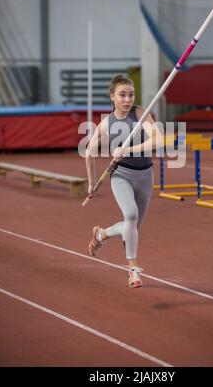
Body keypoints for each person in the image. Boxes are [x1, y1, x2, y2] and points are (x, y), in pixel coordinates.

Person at [85, 74, 161, 288]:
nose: (127, 100)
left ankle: (102, 234)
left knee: (132, 226)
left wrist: (128, 149)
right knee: (130, 215)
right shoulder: (106, 123)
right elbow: (89, 151)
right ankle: (133, 270)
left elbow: (157, 140)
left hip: (145, 175)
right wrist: (91, 182)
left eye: (131, 95)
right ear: (112, 97)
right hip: (121, 175)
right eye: (122, 95)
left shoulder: (140, 113)